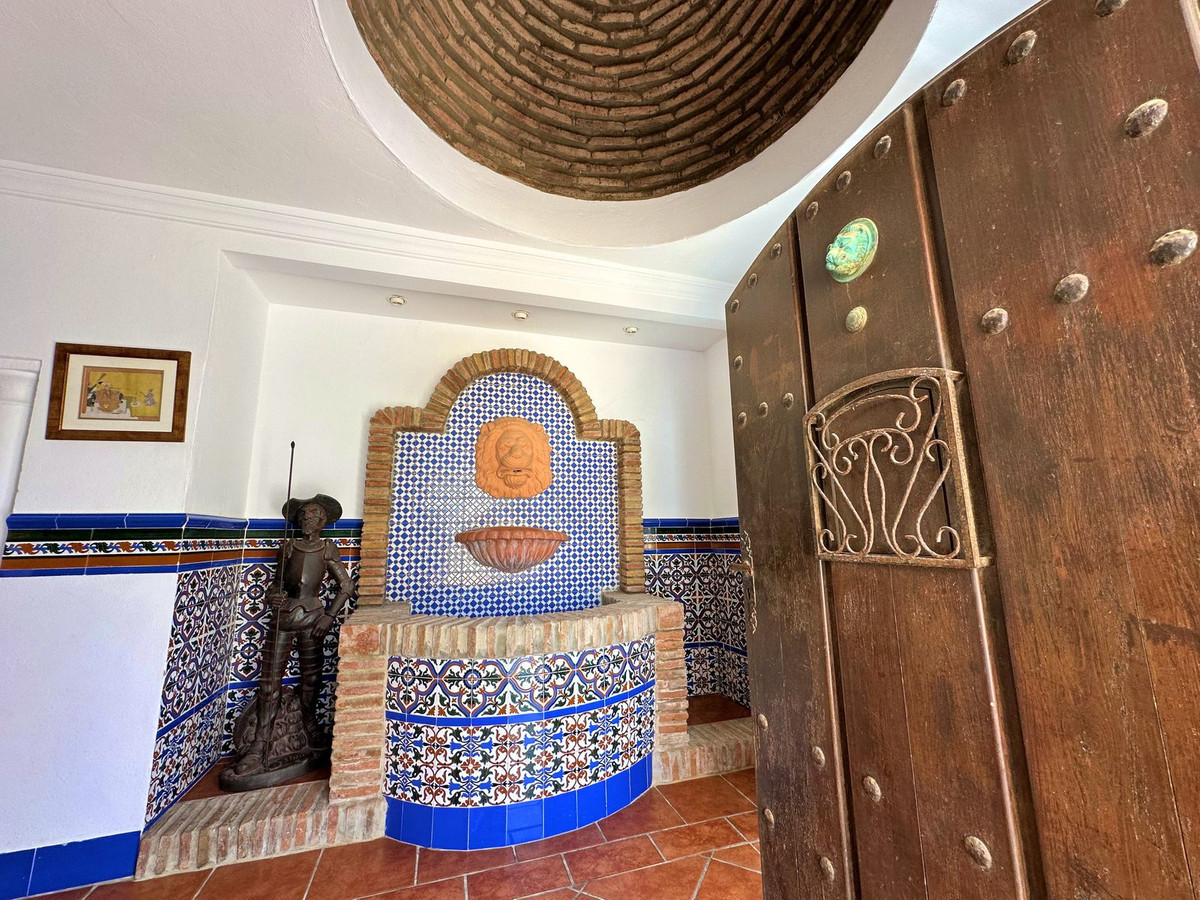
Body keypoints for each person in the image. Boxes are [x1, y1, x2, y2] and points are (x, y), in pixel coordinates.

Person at [231, 493, 353, 778]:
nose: (308, 519)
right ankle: (259, 745)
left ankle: (309, 724)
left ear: (323, 521)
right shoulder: (288, 547)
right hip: (283, 618)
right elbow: (278, 584)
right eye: (304, 515)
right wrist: (273, 595)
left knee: (311, 678)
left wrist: (329, 616)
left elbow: (346, 586)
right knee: (269, 682)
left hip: (313, 619)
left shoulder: (327, 549)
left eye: (314, 515)